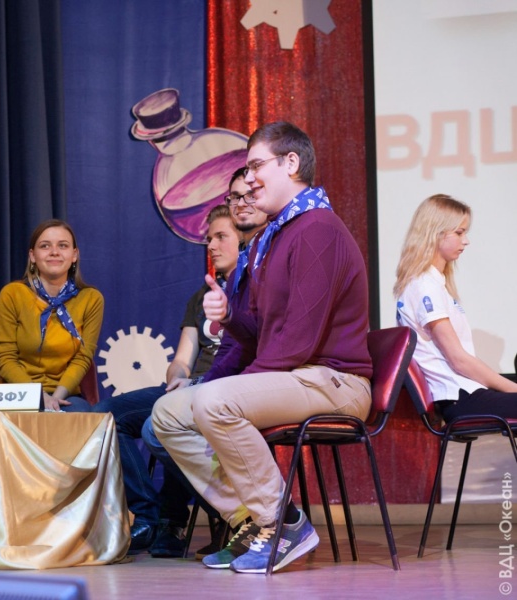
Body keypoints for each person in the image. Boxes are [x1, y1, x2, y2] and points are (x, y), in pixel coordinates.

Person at [152, 121, 373, 574]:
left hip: (336, 382)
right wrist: (230, 316)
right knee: (167, 414)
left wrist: (229, 389)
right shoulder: (275, 237)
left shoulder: (318, 229)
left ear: (291, 163)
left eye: (256, 167)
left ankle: (284, 524)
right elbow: (263, 335)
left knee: (214, 401)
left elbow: (298, 340)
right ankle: (254, 520)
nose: (249, 179)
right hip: (298, 374)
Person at [92, 168, 268, 558]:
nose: (212, 246)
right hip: (192, 385)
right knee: (106, 414)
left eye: (221, 237)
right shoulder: (200, 296)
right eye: (209, 239)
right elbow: (183, 358)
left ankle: (191, 518)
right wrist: (178, 376)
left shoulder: (254, 285)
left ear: (242, 239)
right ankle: (149, 514)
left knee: (160, 426)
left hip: (228, 388)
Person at [395, 194, 517, 421]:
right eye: (459, 233)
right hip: (459, 396)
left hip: (465, 392)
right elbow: (459, 360)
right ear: (435, 233)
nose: (466, 241)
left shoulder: (433, 284)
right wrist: (513, 389)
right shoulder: (424, 286)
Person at [0, 219, 103, 412]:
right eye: (45, 246)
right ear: (32, 256)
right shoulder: (12, 294)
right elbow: (5, 357)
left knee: (79, 414)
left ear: (74, 255)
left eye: (63, 246)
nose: (54, 252)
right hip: (18, 393)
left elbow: (83, 358)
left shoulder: (91, 299)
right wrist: (38, 396)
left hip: (64, 394)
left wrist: (54, 400)